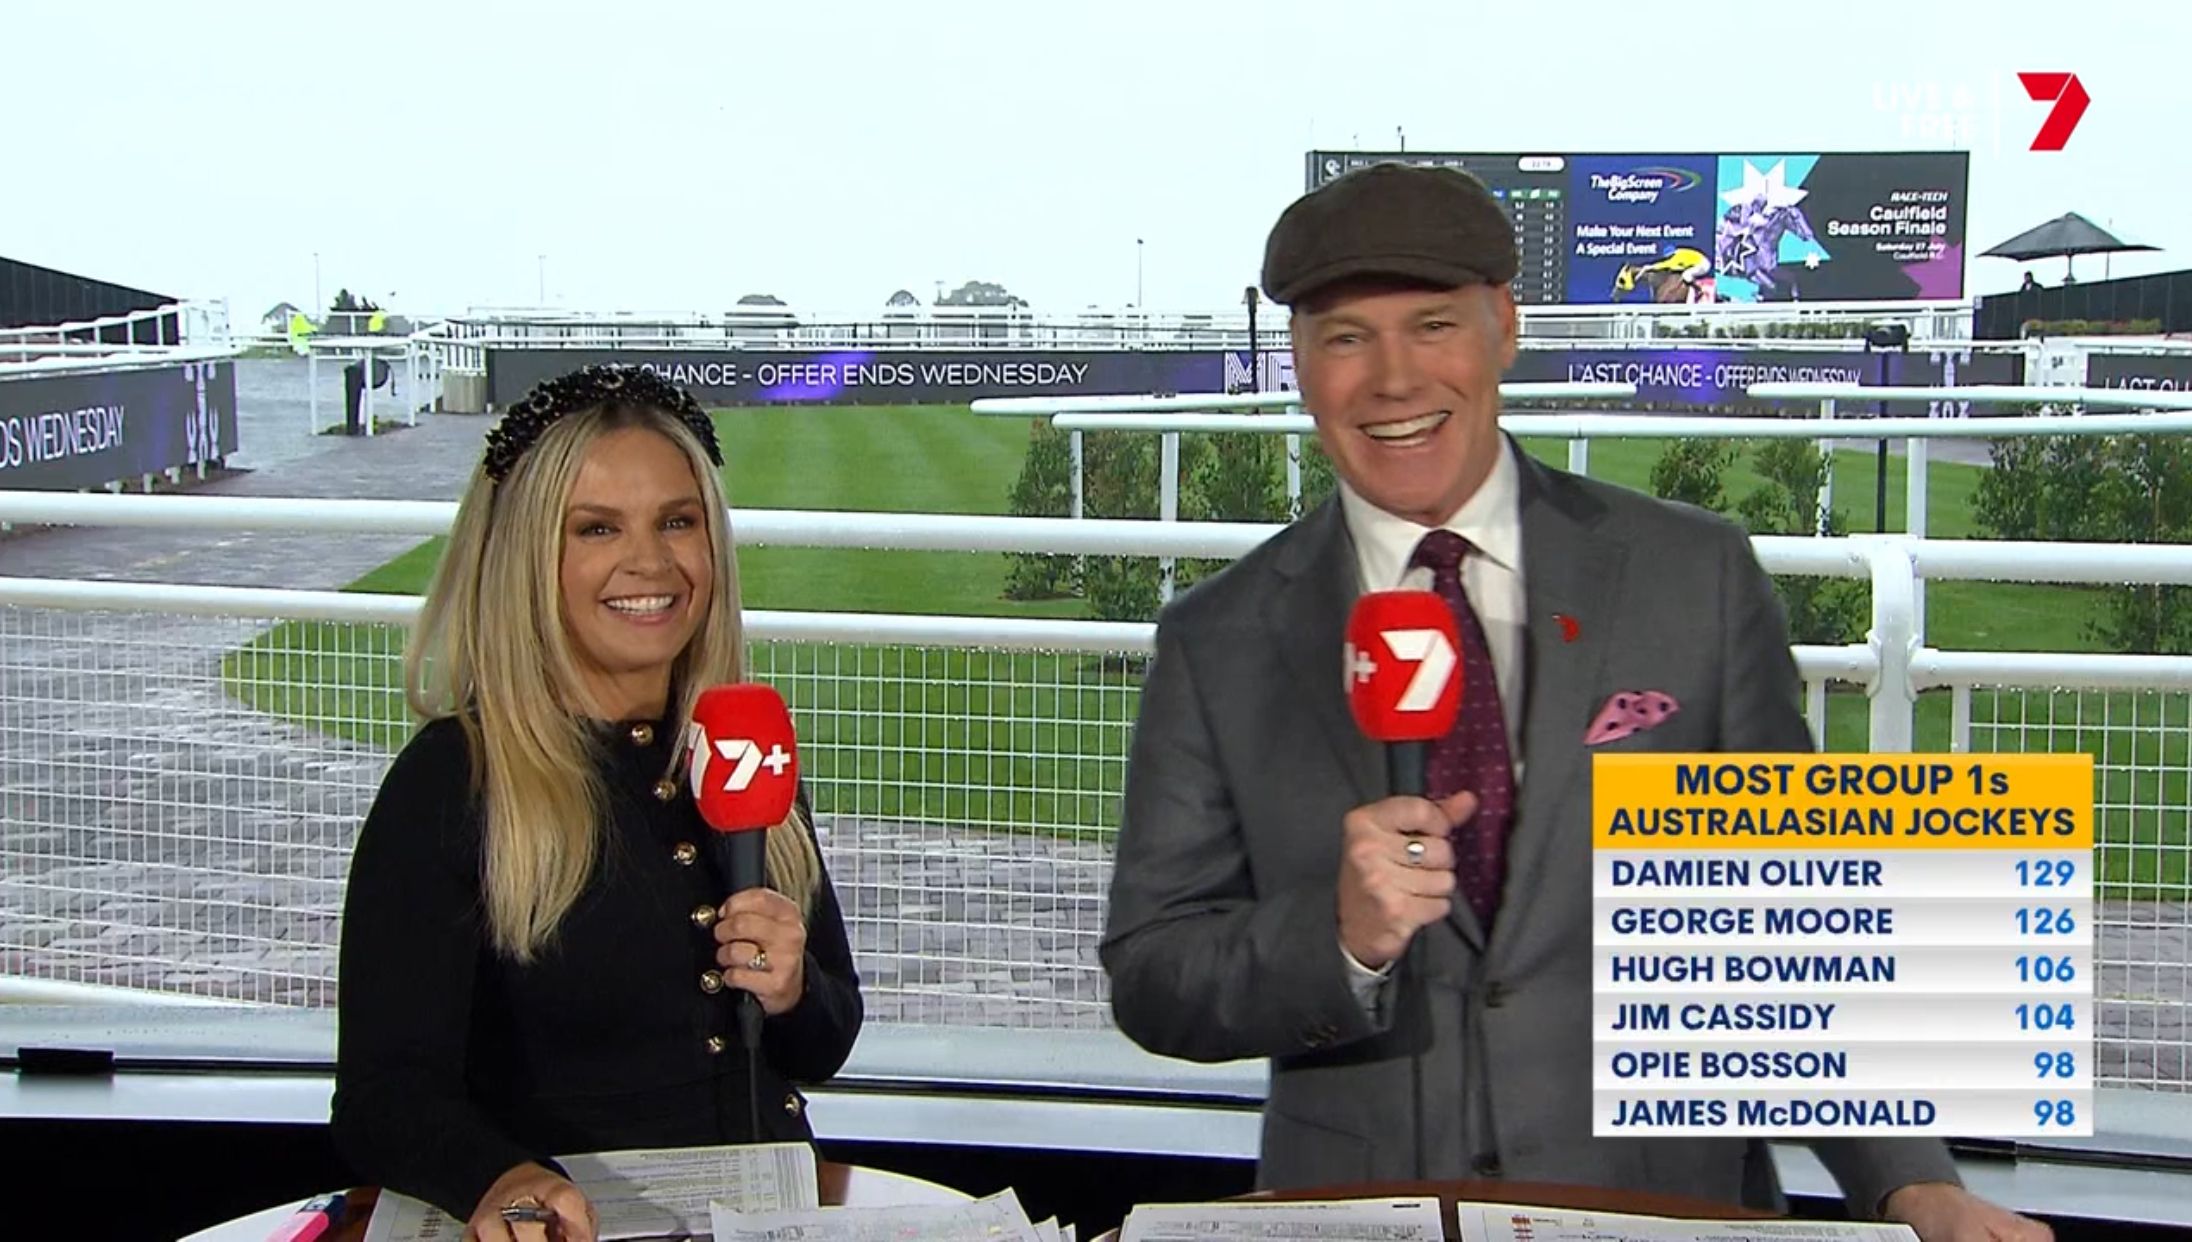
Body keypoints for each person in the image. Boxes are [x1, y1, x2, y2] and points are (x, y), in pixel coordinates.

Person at [1099, 164, 2049, 1241]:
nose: (1393, 379)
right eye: (1347, 338)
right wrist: (1338, 938)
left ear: (1503, 327)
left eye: (1432, 326)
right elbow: (1153, 974)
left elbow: (1795, 920)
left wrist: (1910, 1184)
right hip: (1356, 1216)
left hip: (1662, 1210)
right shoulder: (1218, 638)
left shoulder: (1692, 576)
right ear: (1300, 363)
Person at [332, 363, 863, 1242]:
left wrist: (793, 989)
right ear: (528, 558)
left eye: (677, 522)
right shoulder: (453, 780)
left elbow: (825, 1043)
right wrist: (499, 1178)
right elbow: (382, 1100)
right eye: (597, 528)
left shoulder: (742, 747)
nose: (650, 562)